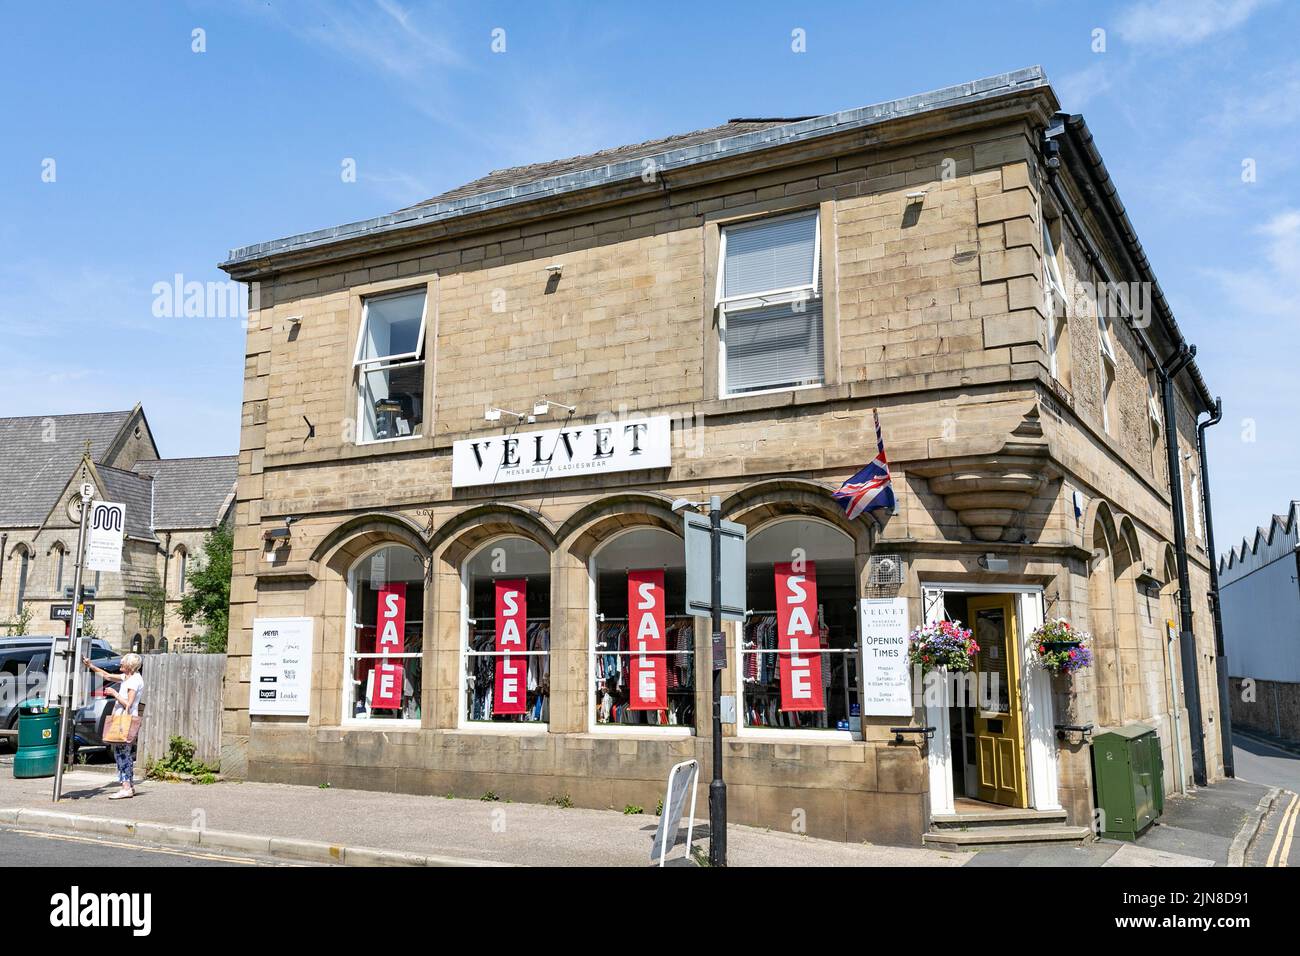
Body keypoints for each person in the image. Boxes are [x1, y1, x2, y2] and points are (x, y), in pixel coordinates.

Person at [82, 653, 145, 799]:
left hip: (125, 720)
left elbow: (128, 704)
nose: (119, 665)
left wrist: (114, 693)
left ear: (129, 666)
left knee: (122, 754)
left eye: (122, 664)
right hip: (123, 718)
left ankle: (126, 787)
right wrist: (90, 665)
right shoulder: (129, 678)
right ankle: (128, 785)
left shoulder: (133, 681)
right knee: (124, 754)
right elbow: (107, 676)